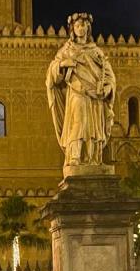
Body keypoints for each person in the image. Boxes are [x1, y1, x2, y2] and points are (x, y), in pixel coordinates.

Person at [45, 12, 115, 168]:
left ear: (88, 28)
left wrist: (108, 87)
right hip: (77, 92)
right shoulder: (67, 50)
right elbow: (51, 73)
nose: (80, 28)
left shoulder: (96, 52)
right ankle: (75, 157)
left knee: (93, 127)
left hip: (95, 95)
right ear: (73, 29)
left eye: (83, 25)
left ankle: (93, 159)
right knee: (78, 122)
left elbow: (109, 76)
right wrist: (63, 64)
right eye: (77, 26)